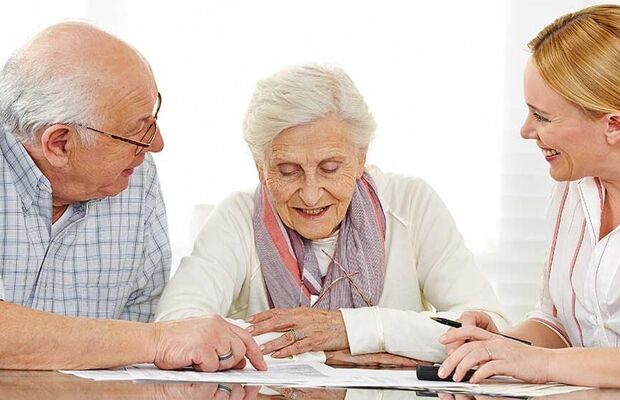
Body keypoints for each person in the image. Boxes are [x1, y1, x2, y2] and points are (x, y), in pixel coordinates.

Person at [156, 63, 509, 364]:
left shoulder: (411, 204)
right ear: (259, 166)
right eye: (288, 170)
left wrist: (347, 328)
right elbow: (176, 326)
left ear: (360, 158)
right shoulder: (236, 215)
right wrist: (379, 342)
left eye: (329, 167)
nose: (310, 194)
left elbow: (491, 328)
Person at [0, 22, 265, 372]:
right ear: (60, 143)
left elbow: (139, 327)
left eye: (152, 119)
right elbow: (147, 339)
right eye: (136, 132)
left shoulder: (135, 178)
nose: (155, 144)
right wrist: (157, 340)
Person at [438, 4, 620, 390]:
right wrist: (503, 344)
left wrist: (542, 363)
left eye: (543, 117)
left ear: (614, 125)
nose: (525, 130)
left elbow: (552, 361)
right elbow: (558, 324)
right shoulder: (571, 188)